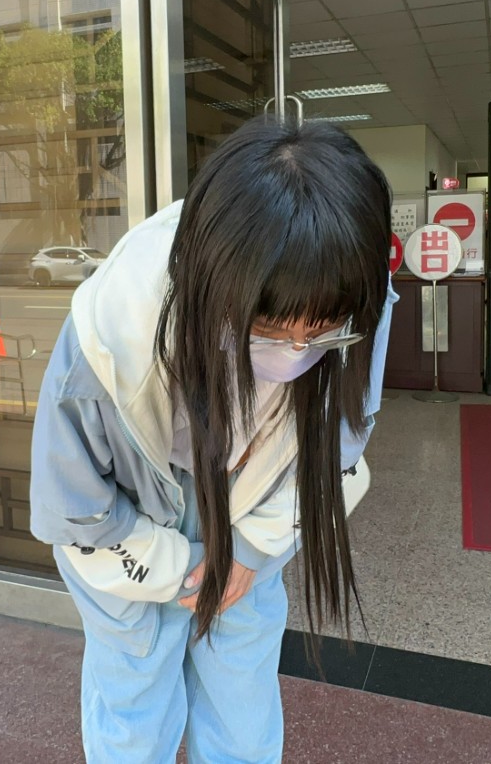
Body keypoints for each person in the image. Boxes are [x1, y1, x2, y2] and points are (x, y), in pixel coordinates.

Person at [29, 117, 395, 763]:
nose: (297, 353)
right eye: (269, 331)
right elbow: (75, 507)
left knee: (241, 697)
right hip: (129, 516)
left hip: (251, 498)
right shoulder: (110, 335)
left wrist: (250, 552)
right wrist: (176, 568)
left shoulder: (360, 293)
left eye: (321, 334)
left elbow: (340, 444)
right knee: (135, 700)